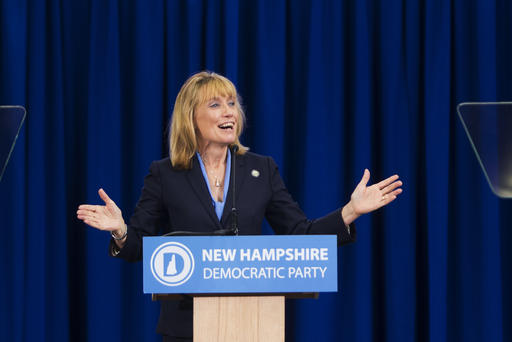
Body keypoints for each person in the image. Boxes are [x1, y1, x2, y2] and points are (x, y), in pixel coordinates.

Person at [76, 71, 403, 341]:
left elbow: (299, 233)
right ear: (191, 116)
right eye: (216, 104)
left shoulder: (262, 169)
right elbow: (139, 246)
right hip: (185, 327)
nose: (230, 112)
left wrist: (350, 211)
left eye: (232, 103)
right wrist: (120, 230)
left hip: (256, 321)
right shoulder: (165, 174)